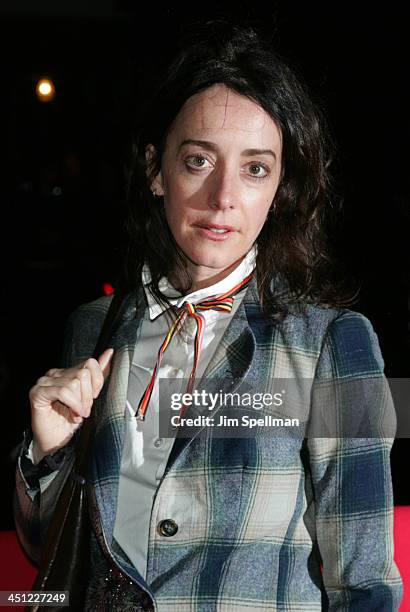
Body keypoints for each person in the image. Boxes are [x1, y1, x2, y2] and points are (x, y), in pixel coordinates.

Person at [14, 21, 403, 611]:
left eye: (255, 168)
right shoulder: (91, 328)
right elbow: (49, 548)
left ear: (280, 188)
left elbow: (365, 582)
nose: (224, 196)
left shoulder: (338, 344)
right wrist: (45, 454)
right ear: (155, 169)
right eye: (198, 160)